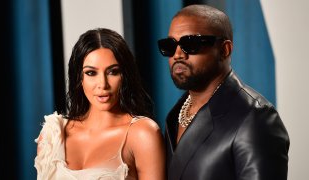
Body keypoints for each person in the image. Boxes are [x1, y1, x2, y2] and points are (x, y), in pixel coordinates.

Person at [157, 4, 289, 180]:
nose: (178, 54)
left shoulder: (256, 118)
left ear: (224, 50)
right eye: (170, 45)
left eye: (190, 43)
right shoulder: (175, 115)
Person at [34, 28, 166, 180]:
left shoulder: (142, 134)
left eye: (113, 72)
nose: (102, 84)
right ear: (79, 78)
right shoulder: (52, 135)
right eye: (91, 73)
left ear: (125, 76)